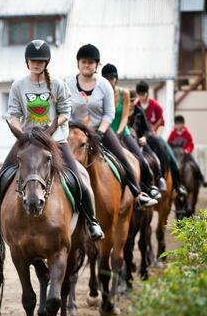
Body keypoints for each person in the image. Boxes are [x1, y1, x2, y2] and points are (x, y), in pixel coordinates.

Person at [3, 39, 104, 241]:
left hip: (55, 140)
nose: (36, 64)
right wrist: (19, 131)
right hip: (28, 141)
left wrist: (52, 128)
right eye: (33, 60)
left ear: (46, 62)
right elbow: (13, 113)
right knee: (1, 178)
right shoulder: (18, 85)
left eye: (40, 61)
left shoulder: (58, 84)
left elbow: (66, 112)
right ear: (27, 62)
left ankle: (92, 221)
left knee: (79, 180)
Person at [65, 44, 157, 208]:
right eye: (84, 62)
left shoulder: (104, 85)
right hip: (75, 131)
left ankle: (137, 193)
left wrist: (100, 133)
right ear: (78, 63)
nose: (87, 65)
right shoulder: (68, 84)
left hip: (101, 130)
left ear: (96, 65)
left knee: (121, 156)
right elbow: (65, 110)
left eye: (91, 62)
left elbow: (109, 113)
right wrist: (73, 129)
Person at [101, 63, 160, 200]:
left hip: (122, 132)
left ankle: (148, 187)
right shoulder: (100, 94)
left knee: (140, 158)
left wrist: (118, 133)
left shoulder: (124, 93)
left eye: (111, 78)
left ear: (116, 79)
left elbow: (124, 117)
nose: (109, 81)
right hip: (105, 132)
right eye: (106, 78)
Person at [135, 81, 188, 197]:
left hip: (154, 136)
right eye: (138, 94)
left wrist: (157, 135)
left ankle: (177, 184)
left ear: (147, 94)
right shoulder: (136, 106)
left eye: (142, 94)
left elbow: (162, 123)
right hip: (140, 137)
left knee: (171, 156)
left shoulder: (156, 106)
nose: (140, 97)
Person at [168, 115, 207, 186]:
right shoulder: (173, 134)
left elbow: (191, 144)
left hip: (185, 154)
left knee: (194, 164)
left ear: (182, 124)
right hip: (175, 154)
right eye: (176, 124)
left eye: (179, 124)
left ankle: (201, 179)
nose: (177, 126)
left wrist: (187, 150)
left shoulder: (187, 134)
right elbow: (168, 143)